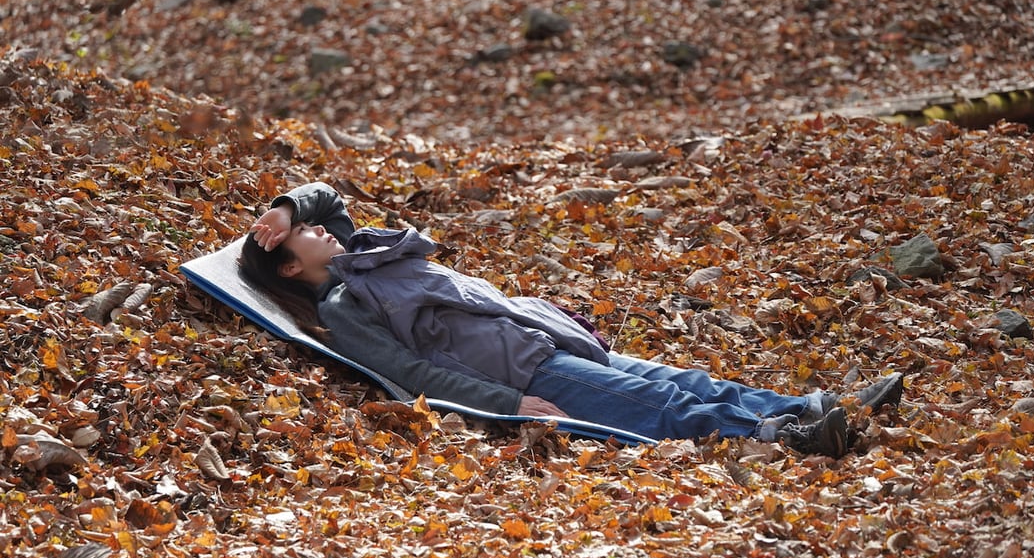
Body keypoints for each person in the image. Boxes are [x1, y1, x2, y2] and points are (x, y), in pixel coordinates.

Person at [238, 182, 903, 457]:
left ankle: (825, 407)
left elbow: (329, 199)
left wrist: (284, 210)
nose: (323, 230)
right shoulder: (344, 303)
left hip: (544, 335)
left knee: (689, 379)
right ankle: (784, 437)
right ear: (290, 269)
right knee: (659, 403)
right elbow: (408, 373)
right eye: (305, 237)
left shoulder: (362, 253)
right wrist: (510, 404)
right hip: (521, 369)